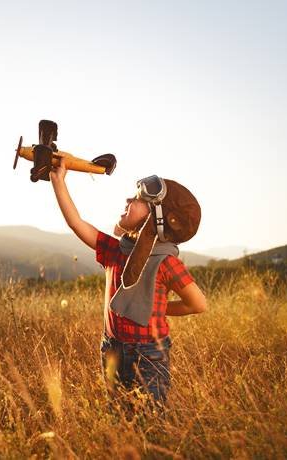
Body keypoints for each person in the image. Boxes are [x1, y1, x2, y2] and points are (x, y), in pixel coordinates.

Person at [49, 163, 207, 407]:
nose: (127, 200)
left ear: (156, 217)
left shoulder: (166, 263)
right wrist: (58, 181)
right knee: (117, 414)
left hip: (149, 354)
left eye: (136, 199)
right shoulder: (116, 251)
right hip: (112, 347)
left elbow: (197, 304)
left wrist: (161, 308)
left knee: (149, 418)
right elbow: (77, 223)